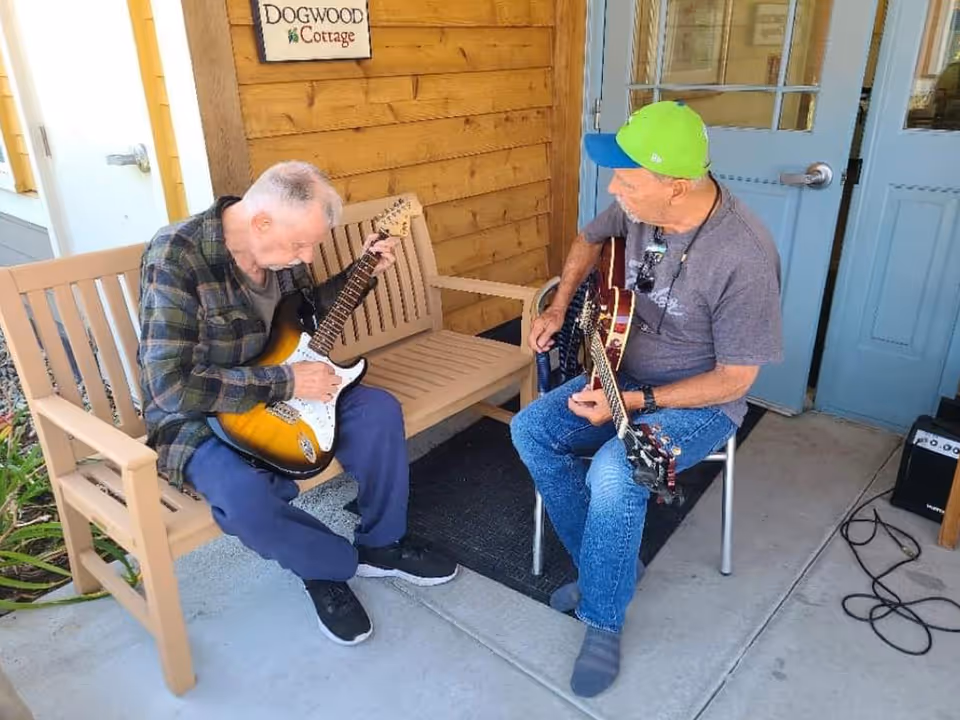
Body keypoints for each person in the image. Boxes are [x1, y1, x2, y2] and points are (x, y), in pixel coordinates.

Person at [510, 101, 783, 697]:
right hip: (614, 377)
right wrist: (559, 306)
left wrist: (632, 403)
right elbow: (588, 238)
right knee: (530, 431)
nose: (614, 188)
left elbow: (737, 380)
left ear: (678, 187)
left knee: (616, 472)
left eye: (628, 179)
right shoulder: (638, 208)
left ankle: (602, 619)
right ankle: (604, 568)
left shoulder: (745, 256)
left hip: (697, 405)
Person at [138, 161, 457, 647]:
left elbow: (304, 320)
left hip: (289, 387)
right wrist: (285, 383)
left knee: (377, 413)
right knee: (246, 495)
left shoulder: (281, 255)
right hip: (201, 413)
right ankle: (323, 568)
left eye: (313, 246)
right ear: (261, 222)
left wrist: (362, 271)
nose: (307, 257)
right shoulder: (178, 255)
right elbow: (170, 386)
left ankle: (381, 544)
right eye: (300, 246)